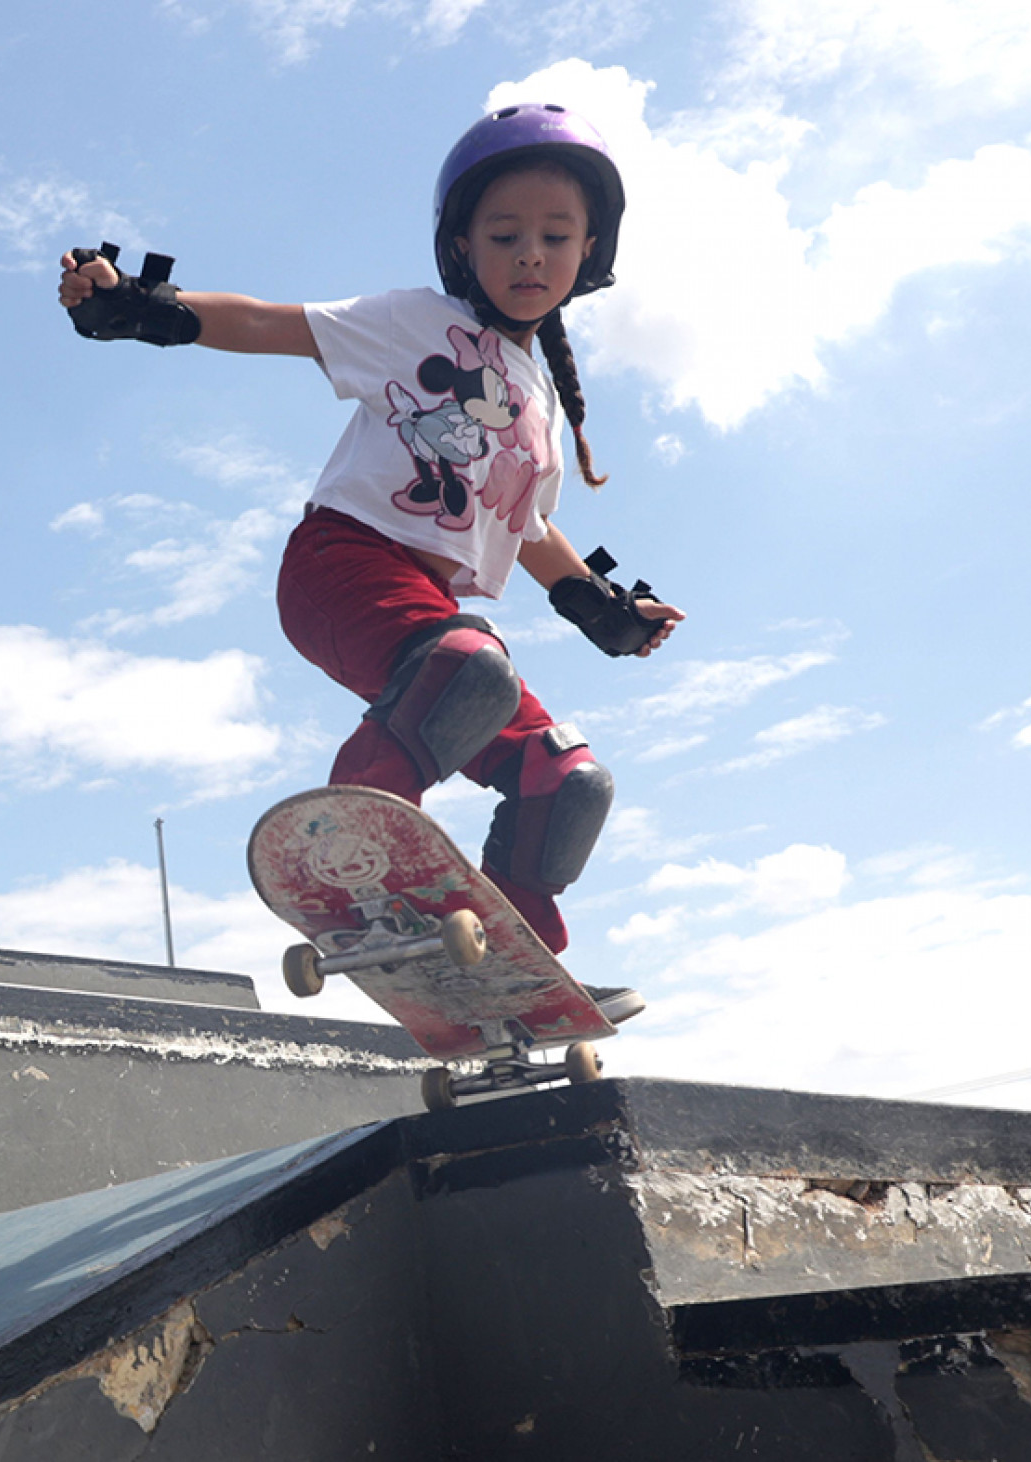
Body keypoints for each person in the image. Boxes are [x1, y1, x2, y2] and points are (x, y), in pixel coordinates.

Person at [58, 103, 681, 1004]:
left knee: (565, 777)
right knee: (471, 666)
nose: (530, 255)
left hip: (426, 611)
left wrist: (602, 609)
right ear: (463, 247)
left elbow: (527, 526)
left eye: (555, 236)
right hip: (341, 567)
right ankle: (360, 870)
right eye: (504, 235)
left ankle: (511, 966)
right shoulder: (416, 323)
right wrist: (145, 309)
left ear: (588, 254)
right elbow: (278, 325)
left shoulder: (538, 403)